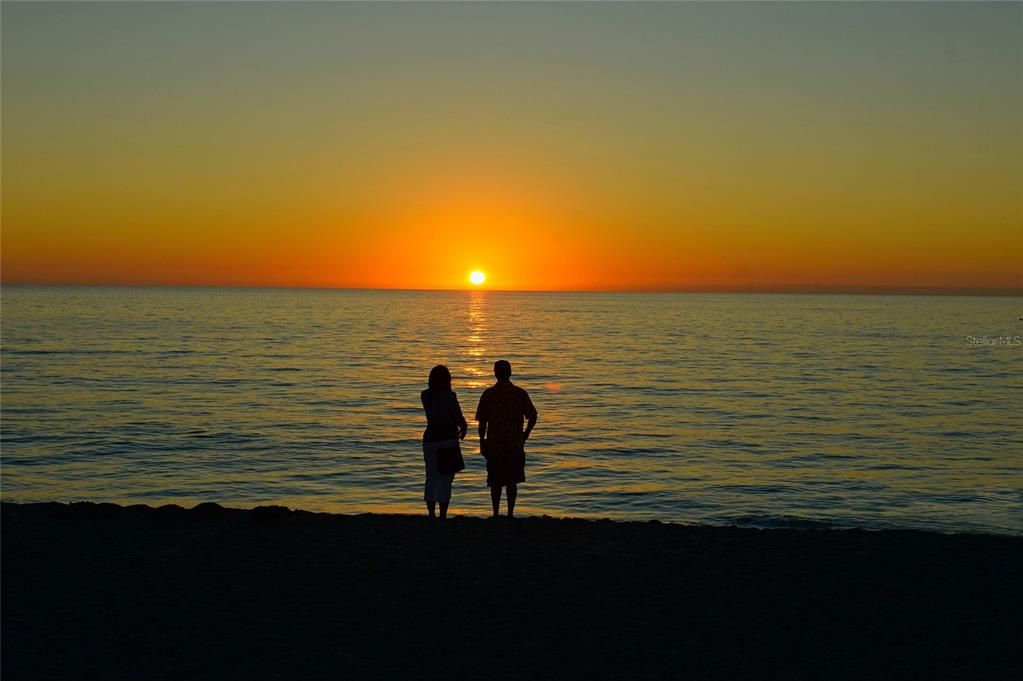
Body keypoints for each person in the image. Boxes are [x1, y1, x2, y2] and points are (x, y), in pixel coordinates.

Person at [475, 360, 538, 518]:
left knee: (495, 481)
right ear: (510, 373)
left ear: (495, 373)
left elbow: (482, 422)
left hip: (495, 443)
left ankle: (496, 513)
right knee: (512, 481)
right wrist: (525, 434)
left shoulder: (488, 394)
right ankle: (510, 513)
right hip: (514, 443)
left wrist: (482, 441)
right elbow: (533, 416)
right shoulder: (519, 393)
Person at [421, 365, 467, 519]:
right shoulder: (449, 396)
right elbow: (458, 417)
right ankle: (442, 515)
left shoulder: (425, 395)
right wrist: (463, 427)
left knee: (431, 477)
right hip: (447, 440)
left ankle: (431, 514)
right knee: (446, 479)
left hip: (429, 440)